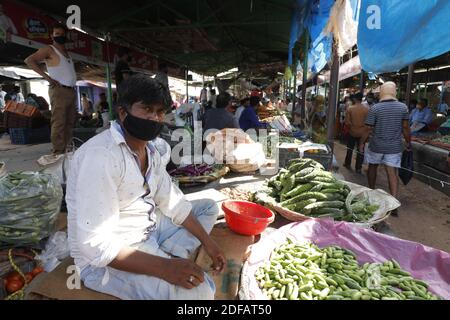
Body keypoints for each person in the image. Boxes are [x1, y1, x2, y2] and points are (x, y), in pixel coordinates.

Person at [66, 74, 225, 300]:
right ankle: (166, 258)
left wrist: (210, 243)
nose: (155, 117)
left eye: (160, 112)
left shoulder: (150, 150)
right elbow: (96, 245)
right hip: (108, 258)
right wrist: (164, 268)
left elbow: (173, 202)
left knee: (207, 208)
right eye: (147, 109)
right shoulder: (100, 157)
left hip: (147, 228)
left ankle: (170, 253)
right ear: (123, 112)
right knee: (201, 294)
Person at [24, 23, 77, 155]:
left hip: (70, 90)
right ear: (51, 36)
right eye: (57, 34)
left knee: (69, 121)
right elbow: (29, 60)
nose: (60, 36)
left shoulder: (66, 52)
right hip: (59, 91)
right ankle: (58, 152)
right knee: (59, 122)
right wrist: (47, 78)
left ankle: (68, 148)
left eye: (62, 34)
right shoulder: (49, 49)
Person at [359, 82, 411, 213]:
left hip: (376, 145)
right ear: (394, 92)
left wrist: (361, 142)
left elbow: (367, 128)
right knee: (392, 173)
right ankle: (393, 204)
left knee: (372, 168)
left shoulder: (375, 108)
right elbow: (405, 128)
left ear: (382, 93)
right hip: (394, 147)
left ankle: (371, 193)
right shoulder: (403, 107)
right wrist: (408, 142)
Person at [344, 93, 369, 174]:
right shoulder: (366, 109)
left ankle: (347, 164)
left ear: (355, 99)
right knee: (360, 150)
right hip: (363, 133)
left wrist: (353, 126)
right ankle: (358, 168)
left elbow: (347, 122)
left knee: (350, 149)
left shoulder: (350, 108)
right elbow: (368, 123)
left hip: (352, 131)